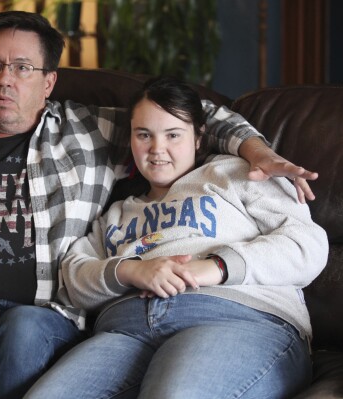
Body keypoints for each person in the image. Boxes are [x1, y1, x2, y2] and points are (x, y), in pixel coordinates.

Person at [0, 11, 318, 399]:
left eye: (22, 67)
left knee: (22, 328)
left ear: (48, 81)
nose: (4, 80)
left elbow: (186, 116)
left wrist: (261, 152)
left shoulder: (88, 130)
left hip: (38, 309)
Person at [24, 77, 328, 399]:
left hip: (233, 318)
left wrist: (216, 267)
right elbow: (74, 277)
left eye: (173, 135)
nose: (157, 149)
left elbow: (307, 244)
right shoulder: (116, 212)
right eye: (144, 135)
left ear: (198, 137)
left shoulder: (237, 173)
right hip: (126, 333)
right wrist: (130, 270)